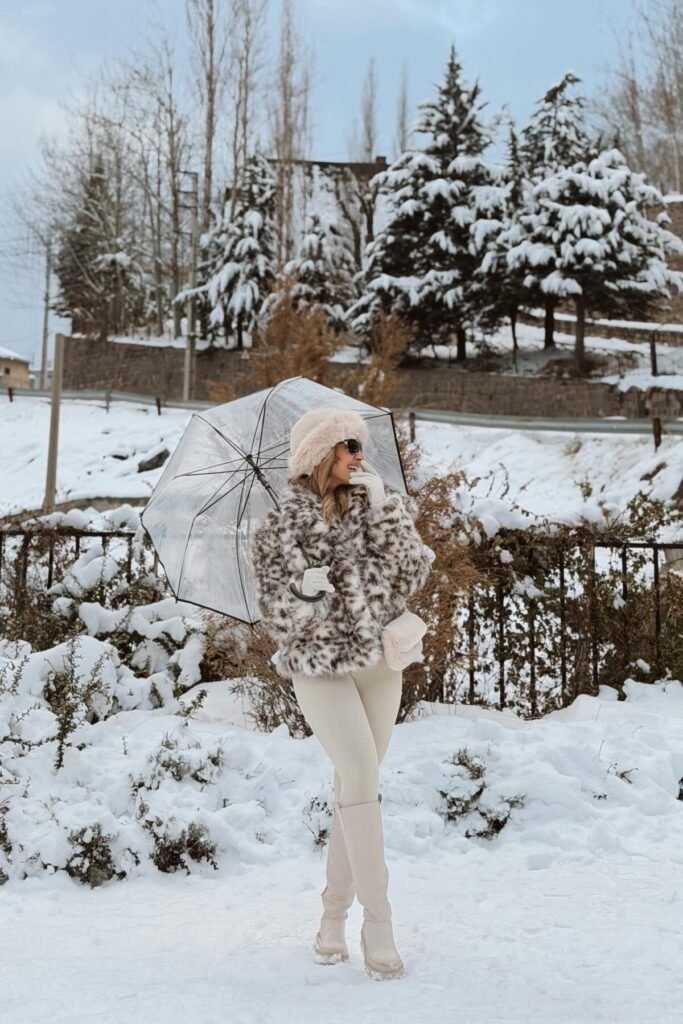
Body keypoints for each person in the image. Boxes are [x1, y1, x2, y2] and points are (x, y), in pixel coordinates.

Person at [250, 407, 433, 980]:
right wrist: (305, 593)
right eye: (348, 445)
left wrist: (387, 513)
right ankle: (378, 924)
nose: (359, 454)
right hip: (320, 666)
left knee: (358, 785)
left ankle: (331, 918)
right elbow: (276, 614)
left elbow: (411, 577)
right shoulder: (280, 527)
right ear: (319, 455)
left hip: (380, 663)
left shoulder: (374, 510)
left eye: (359, 443)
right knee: (358, 773)